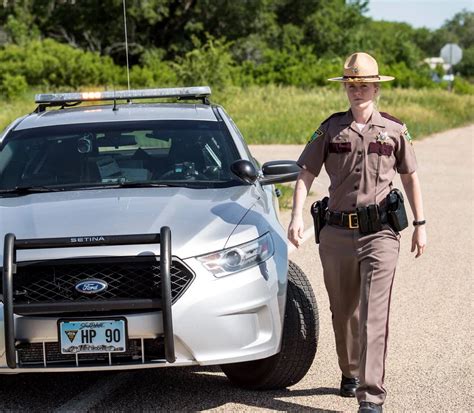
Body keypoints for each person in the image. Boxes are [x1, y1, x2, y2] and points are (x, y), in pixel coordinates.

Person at [288, 52, 426, 413]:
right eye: (351, 84)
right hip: (335, 234)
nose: (357, 90)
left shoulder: (395, 129)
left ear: (376, 87)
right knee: (344, 311)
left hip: (380, 233)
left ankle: (371, 396)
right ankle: (350, 372)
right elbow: (306, 173)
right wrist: (296, 216)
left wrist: (420, 224)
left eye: (364, 84)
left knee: (373, 315)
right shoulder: (330, 128)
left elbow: (411, 176)